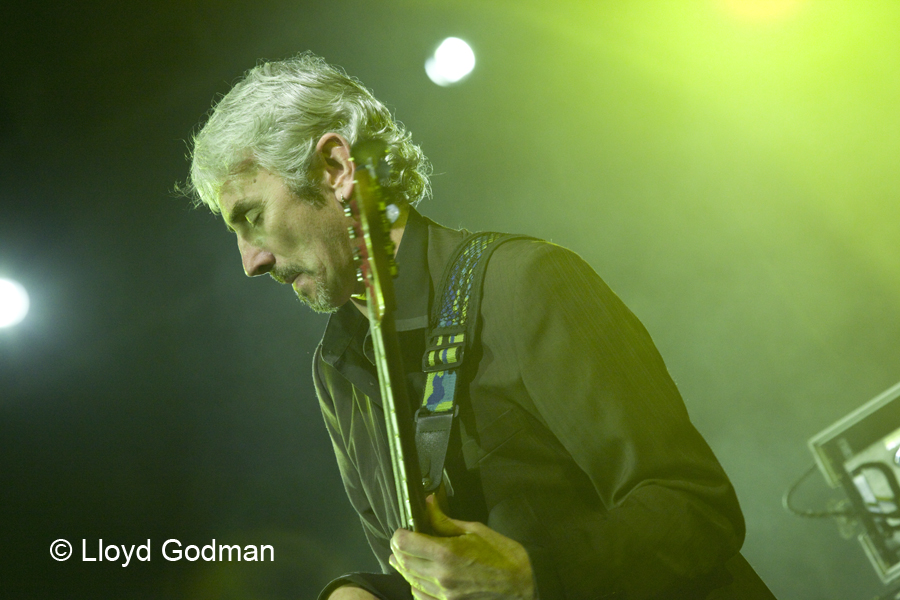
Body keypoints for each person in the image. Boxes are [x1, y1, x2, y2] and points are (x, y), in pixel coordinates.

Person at [187, 52, 775, 599]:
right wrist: (366, 592)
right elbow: (443, 575)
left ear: (336, 166)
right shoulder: (335, 367)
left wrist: (534, 576)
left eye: (252, 216)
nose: (250, 260)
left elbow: (699, 511)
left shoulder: (527, 283)